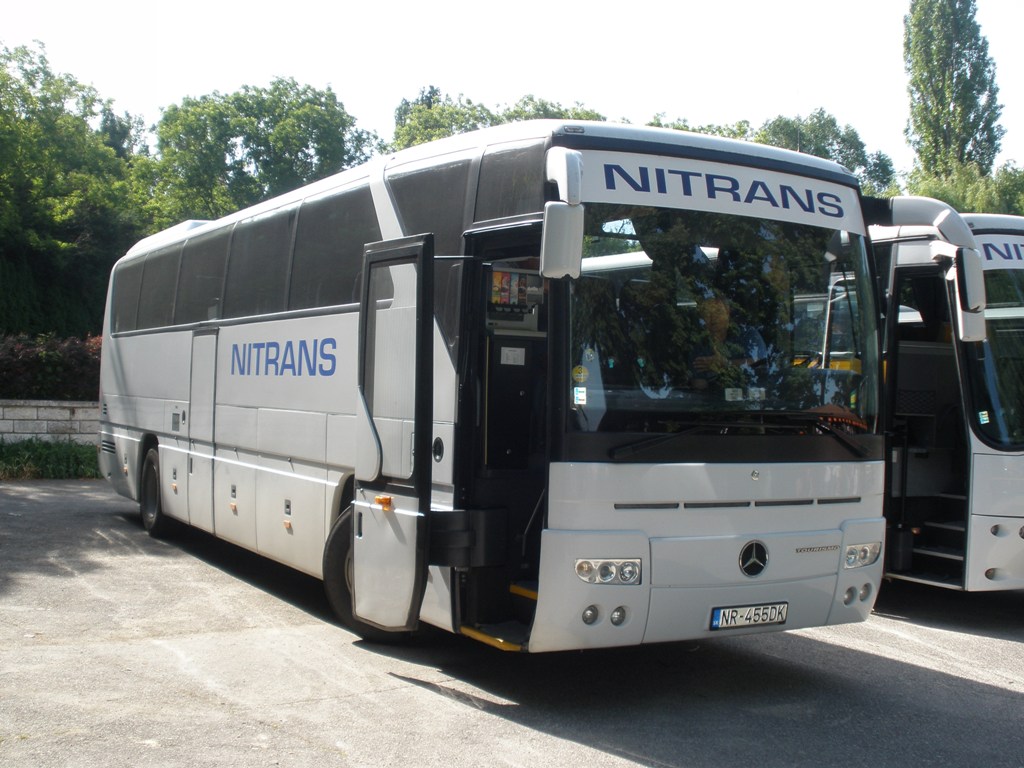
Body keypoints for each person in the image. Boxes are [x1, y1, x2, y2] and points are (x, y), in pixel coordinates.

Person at [690, 295, 766, 390]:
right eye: (708, 314)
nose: (713, 317)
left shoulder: (748, 334)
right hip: (714, 398)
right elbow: (699, 387)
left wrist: (725, 364)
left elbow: (760, 364)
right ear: (702, 319)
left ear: (727, 312)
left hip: (752, 394)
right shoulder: (699, 347)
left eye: (718, 311)